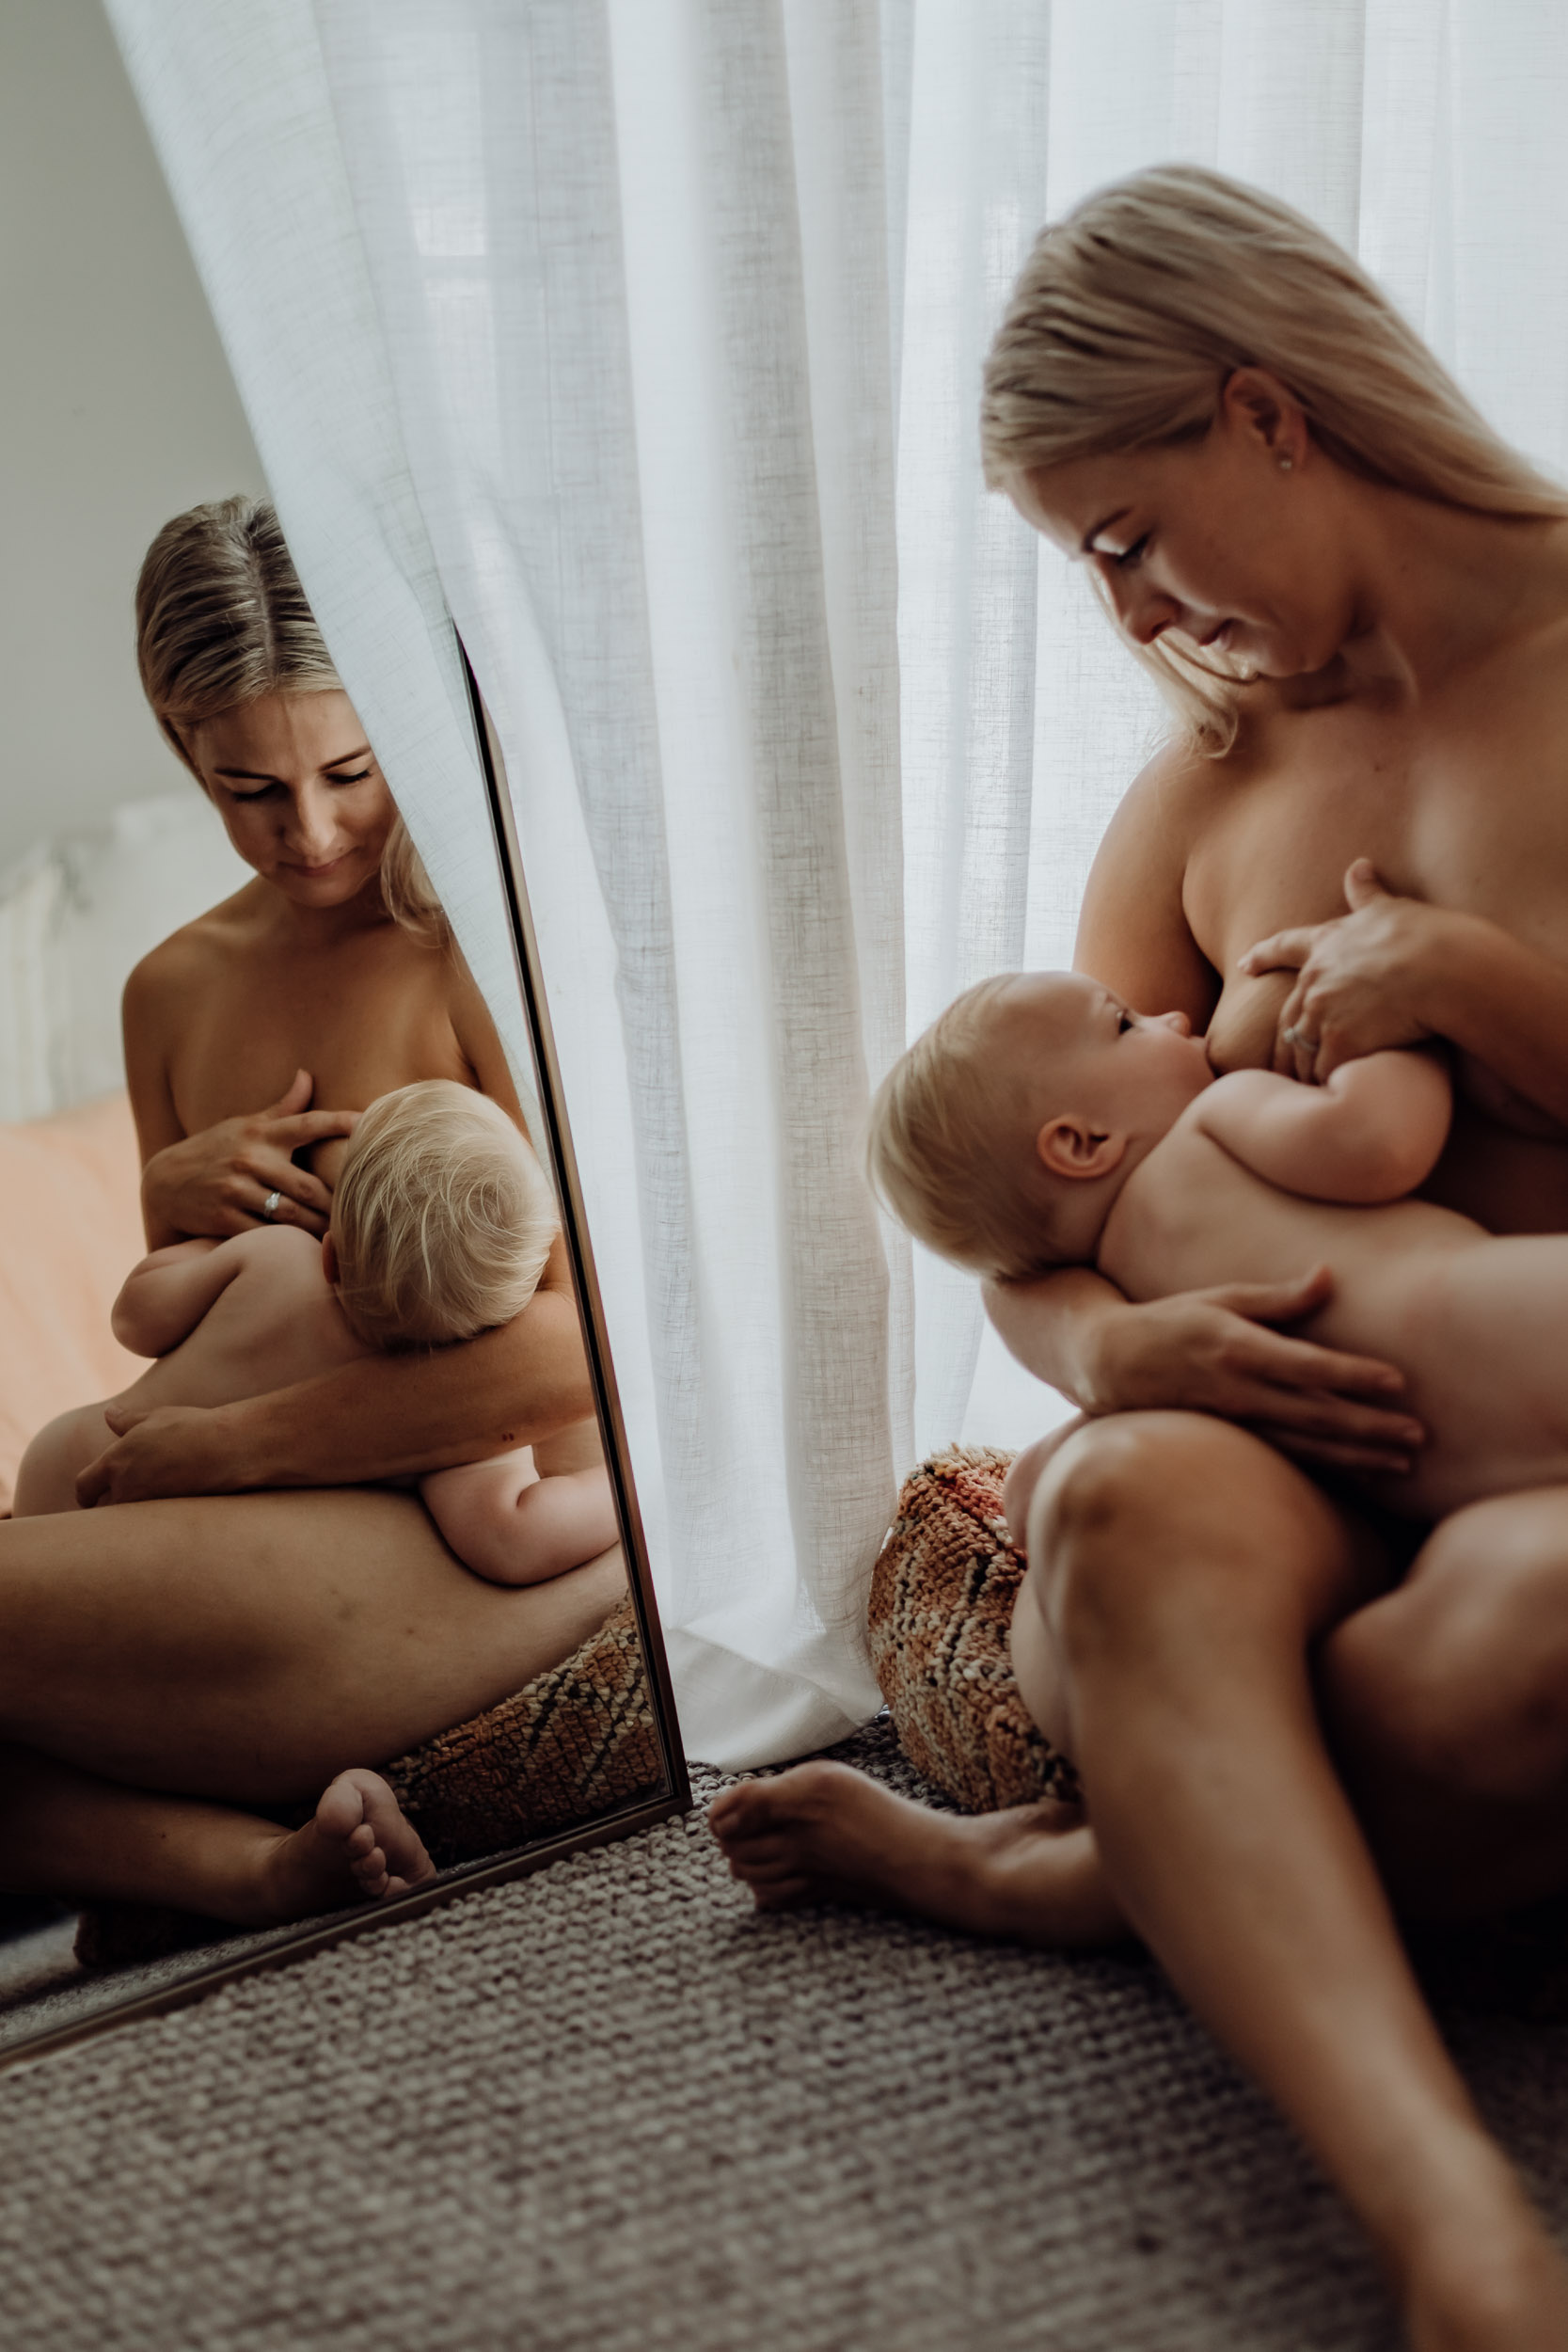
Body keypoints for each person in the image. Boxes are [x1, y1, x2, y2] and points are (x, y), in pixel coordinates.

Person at [712, 167, 1568, 2348]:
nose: (1129, 622)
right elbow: (1039, 1209)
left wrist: (1474, 978)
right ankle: (1451, 2222)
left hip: (1533, 1472)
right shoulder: (1204, 786)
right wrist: (1125, 1357)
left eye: (1121, 538)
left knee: (1516, 1629)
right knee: (1113, 1504)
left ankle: (1102, 1869)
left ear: (1266, 416)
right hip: (1291, 1477)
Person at [0, 497, 625, 1934]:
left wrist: (233, 1449)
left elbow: (597, 1350)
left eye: (349, 769)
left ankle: (189, 1859)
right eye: (249, 790)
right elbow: (195, 1326)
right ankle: (243, 1869)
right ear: (179, 743)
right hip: (249, 1547)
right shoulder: (172, 992)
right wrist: (163, 1205)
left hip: (482, 1540)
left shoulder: (473, 946)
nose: (314, 830)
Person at [871, 962, 1568, 1527]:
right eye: (1124, 1023)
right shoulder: (1211, 1122)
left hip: (1422, 1475)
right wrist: (1391, 1025)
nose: (1174, 1018)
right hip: (1502, 1319)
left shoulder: (1139, 1308)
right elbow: (1378, 1141)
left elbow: (1026, 1495)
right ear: (1083, 1143)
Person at [15, 1080, 619, 1588]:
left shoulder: (274, 1258)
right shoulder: (455, 1424)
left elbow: (135, 1319)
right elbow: (514, 1541)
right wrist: (627, 1483)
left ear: (330, 1255)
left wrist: (199, 1247)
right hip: (152, 1568)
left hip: (61, 1468)